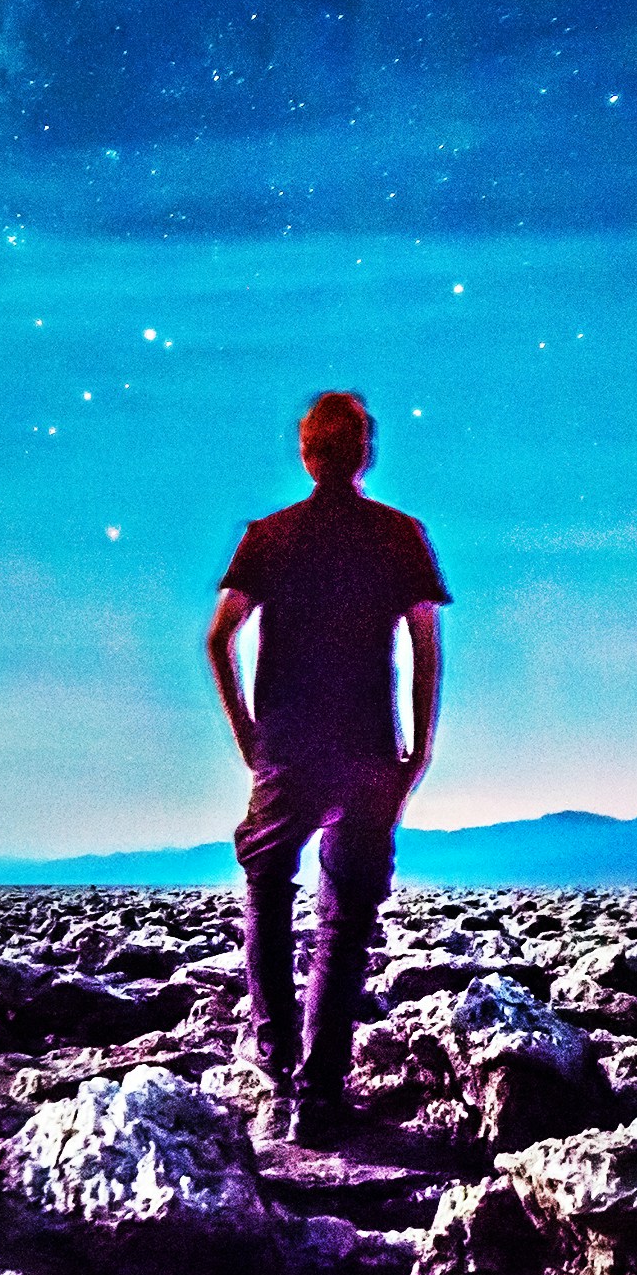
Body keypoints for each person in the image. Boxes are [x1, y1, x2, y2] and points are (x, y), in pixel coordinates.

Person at [204, 388, 446, 1147]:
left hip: (285, 745)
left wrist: (248, 732)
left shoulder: (270, 536)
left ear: (305, 455)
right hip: (368, 745)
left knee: (269, 892)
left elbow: (219, 638)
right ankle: (317, 1095)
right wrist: (417, 748)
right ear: (365, 454)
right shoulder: (398, 535)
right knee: (343, 918)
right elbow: (424, 650)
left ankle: (280, 1073)